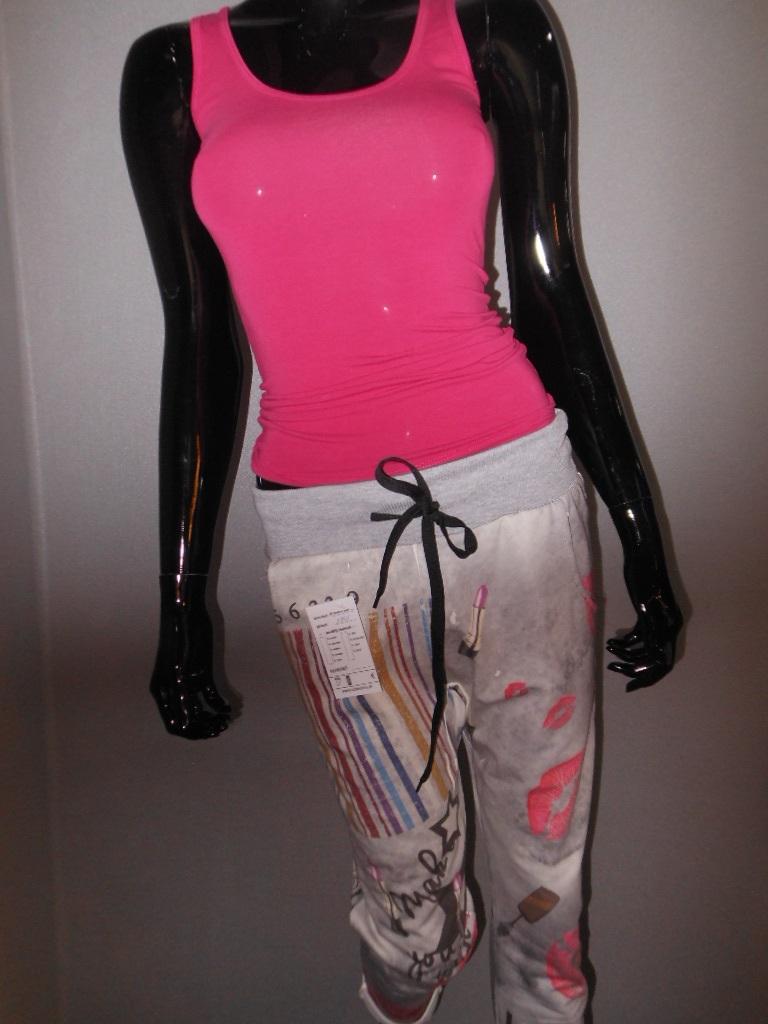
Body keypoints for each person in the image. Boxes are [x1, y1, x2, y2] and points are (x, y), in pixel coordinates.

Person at [120, 2, 683, 1021]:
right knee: (409, 915)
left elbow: (551, 282)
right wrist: (180, 596)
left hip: (521, 516)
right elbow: (197, 336)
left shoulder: (489, 25)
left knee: (546, 910)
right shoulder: (172, 69)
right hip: (331, 557)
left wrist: (638, 526)